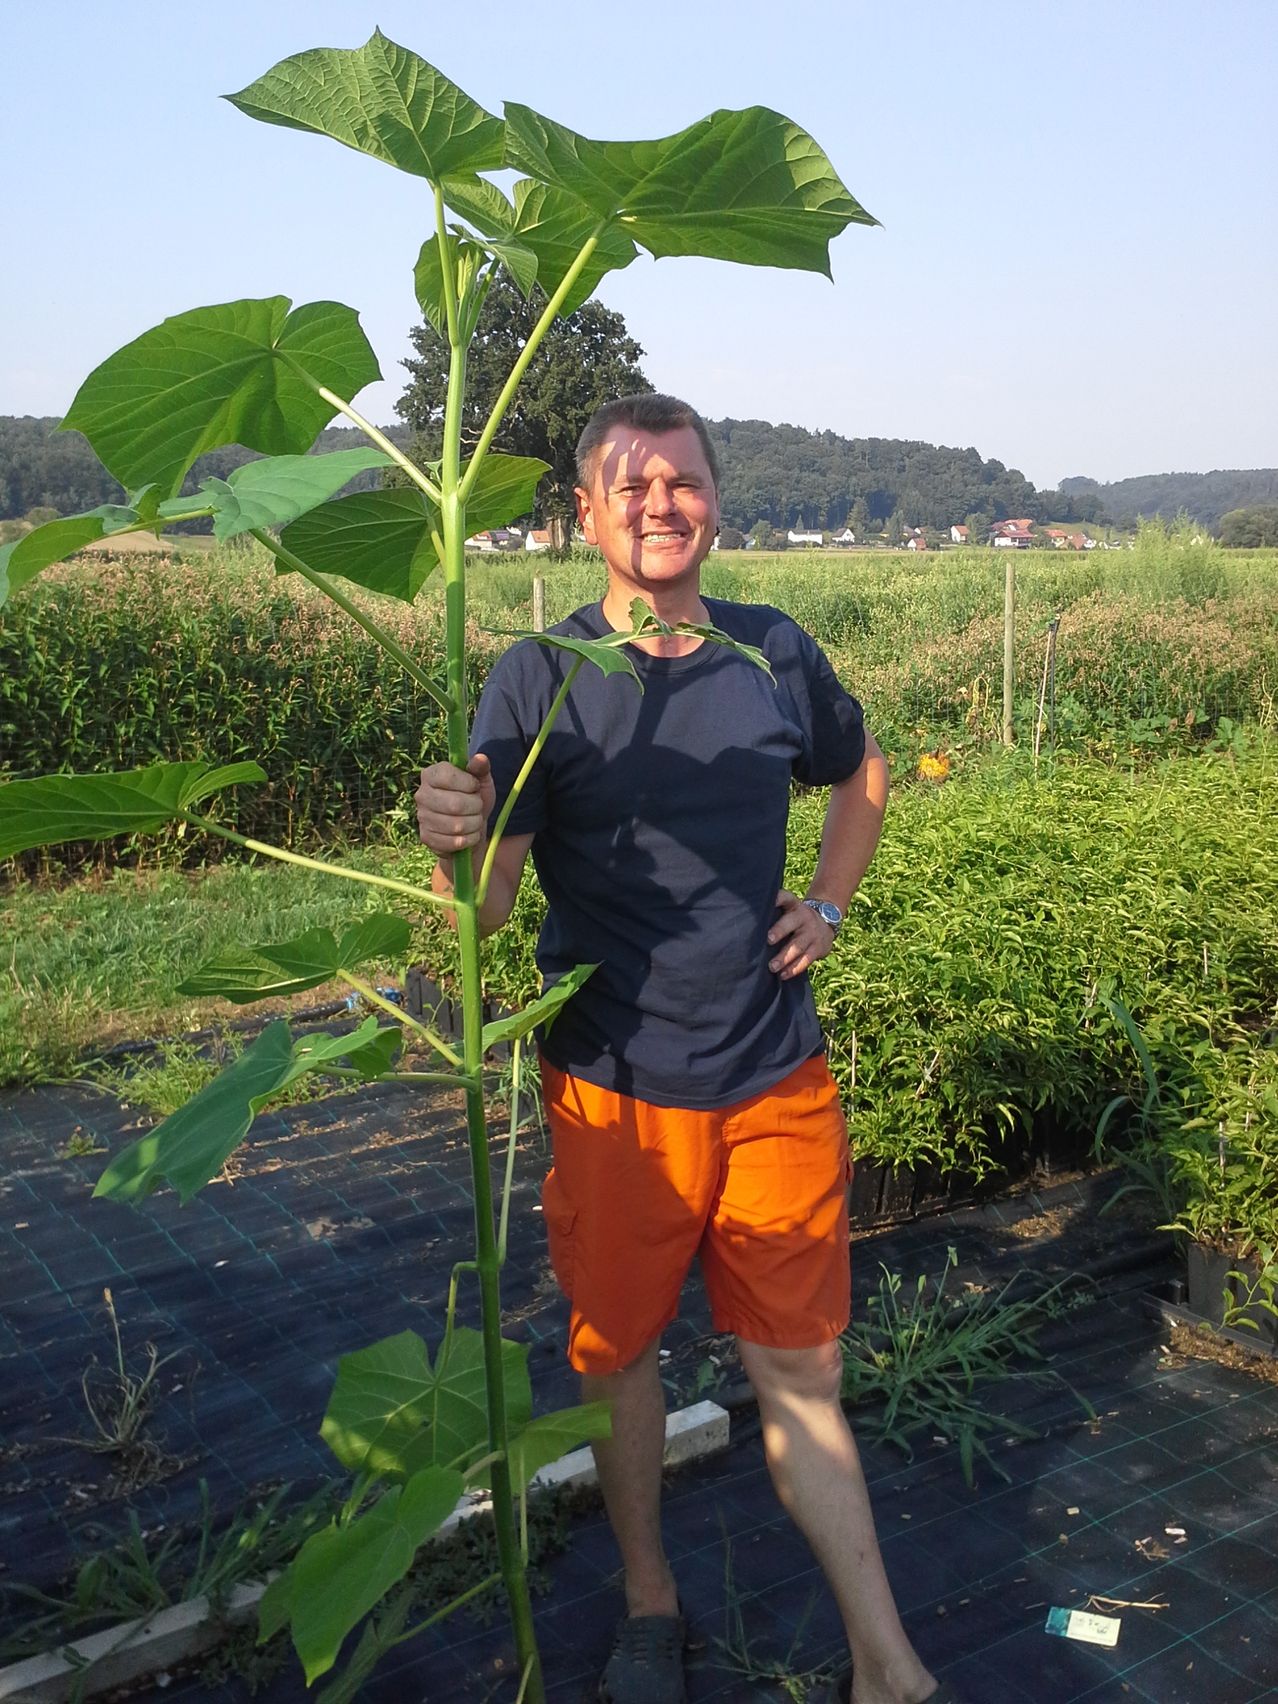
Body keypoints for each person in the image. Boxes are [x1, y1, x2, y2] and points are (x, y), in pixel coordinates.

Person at [416, 395, 954, 1704]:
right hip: (615, 1092)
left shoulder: (770, 652)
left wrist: (827, 904)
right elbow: (491, 907)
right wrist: (451, 846)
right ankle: (650, 1601)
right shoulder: (537, 676)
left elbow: (863, 771)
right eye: (632, 485)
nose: (660, 504)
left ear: (715, 502)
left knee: (801, 1371)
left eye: (683, 482)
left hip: (774, 1074)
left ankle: (885, 1664)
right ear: (585, 514)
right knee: (620, 1359)